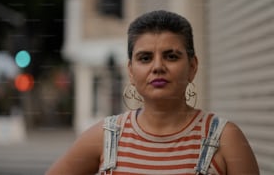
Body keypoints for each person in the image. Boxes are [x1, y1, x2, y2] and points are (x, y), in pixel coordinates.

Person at [46, 10, 259, 175]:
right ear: (130, 70)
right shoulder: (107, 136)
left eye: (171, 56)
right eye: (145, 58)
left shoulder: (225, 138)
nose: (157, 67)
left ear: (192, 67)